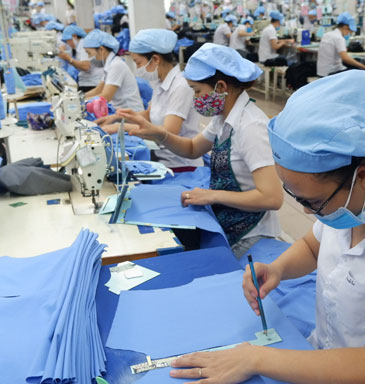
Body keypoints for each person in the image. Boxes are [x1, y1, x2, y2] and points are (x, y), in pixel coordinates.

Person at [166, 71, 365, 384]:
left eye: (313, 203)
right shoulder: (350, 201)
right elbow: (313, 246)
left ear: (363, 175)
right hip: (321, 374)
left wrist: (255, 359)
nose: (307, 213)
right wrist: (277, 269)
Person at [118, 43, 283, 258]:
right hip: (229, 221)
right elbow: (193, 148)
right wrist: (159, 134)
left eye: (197, 91)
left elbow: (271, 198)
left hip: (250, 235)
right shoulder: (223, 118)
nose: (195, 99)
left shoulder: (251, 126)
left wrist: (212, 195)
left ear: (221, 87)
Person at [98, 29, 203, 170]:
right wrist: (117, 118)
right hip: (161, 158)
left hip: (180, 166)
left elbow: (169, 131)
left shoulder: (180, 86)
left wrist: (120, 128)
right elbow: (149, 115)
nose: (137, 69)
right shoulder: (160, 83)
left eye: (138, 63)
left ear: (155, 59)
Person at [83, 30, 144, 111]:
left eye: (89, 53)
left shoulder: (116, 65)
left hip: (130, 114)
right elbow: (99, 89)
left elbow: (105, 97)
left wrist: (81, 102)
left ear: (101, 50)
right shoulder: (110, 64)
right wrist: (79, 97)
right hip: (119, 112)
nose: (89, 57)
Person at [57, 25, 104, 93]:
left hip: (91, 84)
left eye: (69, 41)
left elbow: (86, 66)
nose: (68, 44)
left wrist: (68, 59)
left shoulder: (83, 44)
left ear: (74, 36)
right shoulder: (79, 46)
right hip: (88, 82)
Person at [317, 12, 365, 77]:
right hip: (332, 72)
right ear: (345, 27)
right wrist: (363, 66)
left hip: (321, 72)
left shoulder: (327, 35)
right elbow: (345, 59)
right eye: (350, 31)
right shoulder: (339, 38)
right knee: (358, 72)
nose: (349, 34)